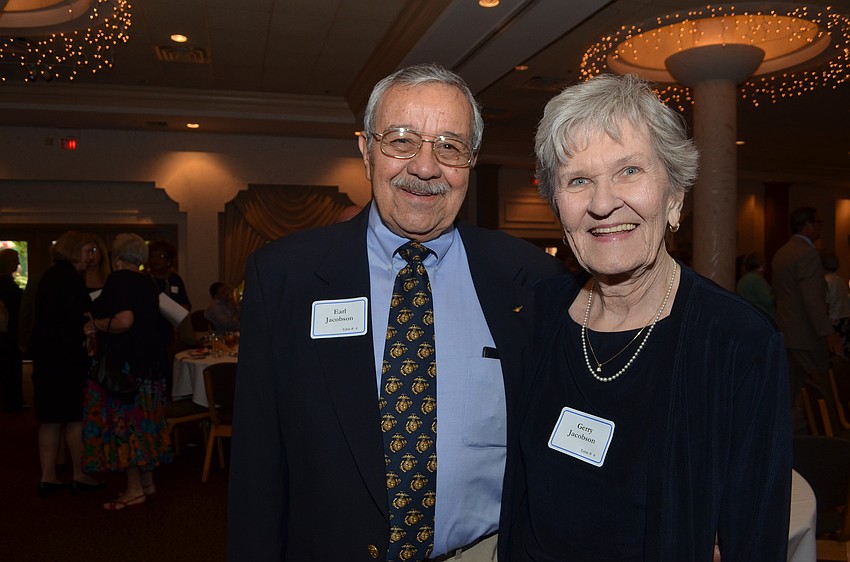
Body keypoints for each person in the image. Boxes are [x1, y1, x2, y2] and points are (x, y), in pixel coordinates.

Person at [227, 63, 563, 561]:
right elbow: (257, 467)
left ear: (470, 160)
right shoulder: (285, 278)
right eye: (401, 140)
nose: (425, 167)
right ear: (366, 151)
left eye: (449, 146)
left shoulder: (531, 279)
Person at [500, 74, 791, 561]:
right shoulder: (541, 313)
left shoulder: (737, 341)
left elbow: (753, 538)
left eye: (629, 171)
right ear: (558, 206)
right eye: (577, 180)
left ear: (674, 195)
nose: (602, 203)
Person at [82, 233, 173, 510]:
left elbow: (124, 320)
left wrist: (94, 324)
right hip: (149, 367)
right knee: (145, 423)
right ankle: (147, 482)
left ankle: (134, 490)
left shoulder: (118, 280)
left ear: (117, 258)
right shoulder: (149, 282)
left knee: (127, 427)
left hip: (125, 369)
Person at [30, 231, 104, 496]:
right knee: (74, 419)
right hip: (67, 360)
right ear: (74, 251)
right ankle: (78, 473)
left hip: (47, 359)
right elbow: (80, 319)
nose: (92, 257)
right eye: (88, 251)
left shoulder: (49, 276)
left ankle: (48, 476)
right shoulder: (71, 280)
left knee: (49, 419)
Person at [772, 207, 842, 405]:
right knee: (821, 390)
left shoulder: (782, 252)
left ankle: (792, 434)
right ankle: (826, 431)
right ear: (808, 225)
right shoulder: (807, 253)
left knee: (792, 392)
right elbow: (812, 299)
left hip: (786, 331)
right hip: (806, 334)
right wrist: (828, 333)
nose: (820, 228)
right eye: (818, 223)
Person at [0, 248, 25, 412]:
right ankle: (11, 402)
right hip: (9, 335)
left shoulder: (7, 283)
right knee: (10, 368)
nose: (17, 263)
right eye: (15, 260)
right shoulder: (8, 285)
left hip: (7, 334)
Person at [822, 250, 850, 358]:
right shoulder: (840, 280)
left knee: (833, 358)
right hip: (844, 322)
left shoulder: (826, 281)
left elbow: (826, 306)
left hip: (833, 323)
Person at [736, 251, 775, 321]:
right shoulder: (757, 280)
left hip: (746, 315)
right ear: (761, 265)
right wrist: (777, 294)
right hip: (761, 316)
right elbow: (767, 301)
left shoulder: (742, 280)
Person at [80, 232, 110, 300]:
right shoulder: (77, 279)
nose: (91, 255)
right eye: (87, 251)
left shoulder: (108, 278)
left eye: (94, 250)